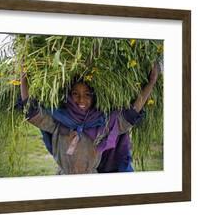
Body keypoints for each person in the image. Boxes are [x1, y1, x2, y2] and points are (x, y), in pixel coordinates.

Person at [19, 63, 159, 175]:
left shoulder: (103, 123)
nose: (81, 99)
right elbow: (31, 112)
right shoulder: (58, 121)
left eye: (87, 94)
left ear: (94, 98)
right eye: (75, 94)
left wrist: (151, 83)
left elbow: (131, 114)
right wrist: (23, 77)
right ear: (68, 95)